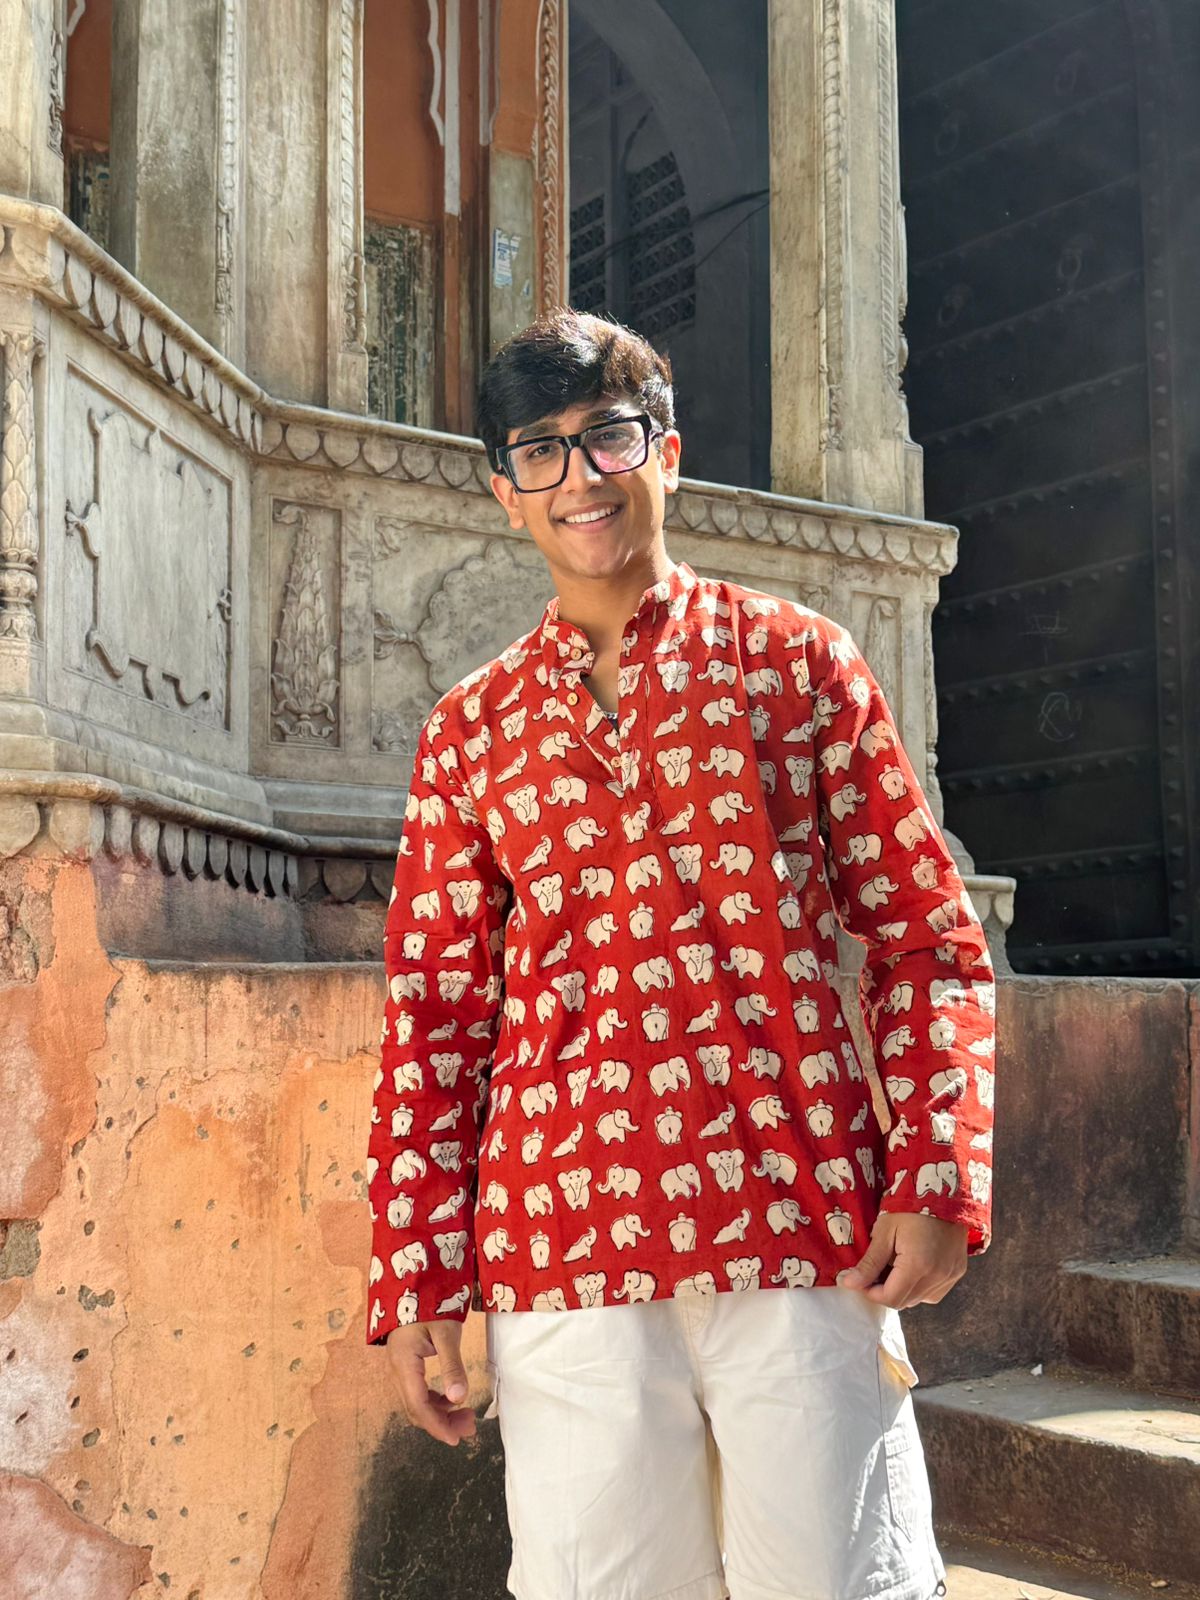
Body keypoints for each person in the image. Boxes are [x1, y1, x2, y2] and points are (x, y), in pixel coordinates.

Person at [364, 307, 995, 1600]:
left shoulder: (796, 664)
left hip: (796, 1217)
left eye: (609, 435)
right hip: (561, 1241)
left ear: (667, 451)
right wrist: (419, 1269)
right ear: (505, 492)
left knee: (839, 1582)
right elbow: (435, 1016)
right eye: (539, 450)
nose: (580, 476)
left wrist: (937, 1167)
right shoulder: (470, 732)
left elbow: (924, 935)